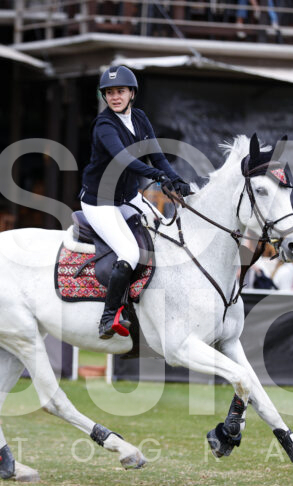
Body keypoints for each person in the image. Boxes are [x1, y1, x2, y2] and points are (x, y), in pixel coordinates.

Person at [79, 65, 191, 339]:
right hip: (100, 202)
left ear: (132, 93)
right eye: (109, 93)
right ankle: (109, 317)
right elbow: (123, 159)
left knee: (164, 230)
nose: (115, 97)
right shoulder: (105, 125)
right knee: (129, 253)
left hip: (127, 196)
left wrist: (176, 179)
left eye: (120, 91)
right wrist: (158, 176)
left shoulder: (139, 118)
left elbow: (157, 156)